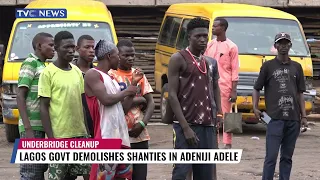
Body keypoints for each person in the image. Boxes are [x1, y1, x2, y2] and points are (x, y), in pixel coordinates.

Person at [168, 17, 221, 180]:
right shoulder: (178, 59)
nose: (203, 39)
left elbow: (215, 87)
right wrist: (185, 128)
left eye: (205, 36)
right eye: (198, 36)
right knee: (181, 173)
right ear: (189, 36)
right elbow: (172, 94)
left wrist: (219, 114)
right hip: (186, 125)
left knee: (205, 174)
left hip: (207, 126)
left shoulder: (210, 62)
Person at [84, 40, 143, 180]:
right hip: (106, 138)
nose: (119, 59)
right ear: (110, 56)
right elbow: (106, 99)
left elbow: (121, 109)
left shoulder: (111, 79)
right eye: (117, 55)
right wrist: (127, 91)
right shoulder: (93, 74)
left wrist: (133, 84)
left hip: (121, 139)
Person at [253, 32, 308, 180]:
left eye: (286, 43)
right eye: (280, 43)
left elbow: (300, 93)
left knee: (287, 157)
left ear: (290, 45)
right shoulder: (268, 66)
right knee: (271, 157)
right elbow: (257, 88)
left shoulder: (297, 67)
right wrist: (255, 107)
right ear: (275, 46)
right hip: (274, 119)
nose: (283, 46)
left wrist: (303, 116)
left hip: (293, 119)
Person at [38, 31, 91, 180]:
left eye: (72, 47)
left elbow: (83, 103)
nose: (70, 50)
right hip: (60, 137)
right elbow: (44, 107)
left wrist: (87, 132)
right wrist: (51, 139)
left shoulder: (77, 72)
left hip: (80, 135)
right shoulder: (48, 73)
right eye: (66, 47)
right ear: (56, 47)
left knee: (88, 174)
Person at [109, 39, 155, 180]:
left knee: (140, 176)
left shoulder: (139, 73)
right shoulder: (111, 75)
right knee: (120, 176)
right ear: (117, 55)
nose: (130, 58)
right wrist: (139, 99)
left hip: (140, 135)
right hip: (119, 135)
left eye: (132, 55)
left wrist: (142, 124)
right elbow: (120, 107)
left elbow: (151, 102)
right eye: (126, 55)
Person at [17, 32, 54, 180]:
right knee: (31, 172)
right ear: (39, 46)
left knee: (39, 170)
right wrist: (28, 129)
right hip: (32, 127)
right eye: (50, 45)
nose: (54, 49)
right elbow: (20, 96)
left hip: (43, 125)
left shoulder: (43, 65)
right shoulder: (30, 63)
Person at [204, 17, 239, 149]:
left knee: (225, 115)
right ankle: (214, 142)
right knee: (211, 114)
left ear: (223, 28)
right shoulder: (210, 45)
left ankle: (227, 143)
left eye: (215, 26)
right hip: (209, 84)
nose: (212, 28)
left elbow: (235, 69)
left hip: (225, 86)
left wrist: (234, 90)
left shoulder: (232, 47)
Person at [72, 34, 96, 138]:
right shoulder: (69, 71)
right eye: (87, 47)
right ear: (77, 49)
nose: (91, 50)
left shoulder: (97, 72)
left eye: (93, 47)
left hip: (96, 122)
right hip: (75, 124)